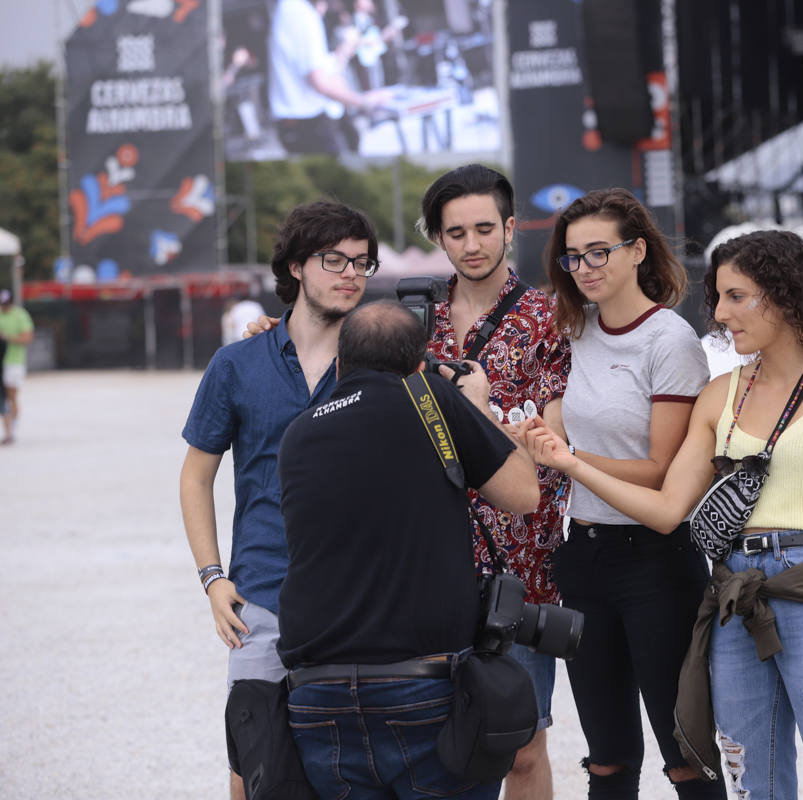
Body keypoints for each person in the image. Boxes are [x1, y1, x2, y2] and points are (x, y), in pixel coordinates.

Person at [523, 229, 803, 798]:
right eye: (718, 298)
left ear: (784, 295)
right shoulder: (719, 393)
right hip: (733, 595)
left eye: (736, 296)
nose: (720, 314)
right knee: (748, 777)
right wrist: (571, 463)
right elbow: (665, 511)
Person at [276, 300, 540, 800]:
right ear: (419, 368)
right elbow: (522, 494)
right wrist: (476, 405)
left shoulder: (298, 433)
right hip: (422, 687)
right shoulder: (430, 397)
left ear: (339, 364)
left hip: (317, 693)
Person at [180, 200, 377, 800]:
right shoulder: (237, 364)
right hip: (263, 595)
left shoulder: (384, 364)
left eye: (363, 263)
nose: (351, 273)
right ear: (296, 266)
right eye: (334, 259)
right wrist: (214, 579)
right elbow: (195, 477)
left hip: (362, 601)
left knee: (353, 772)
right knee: (255, 769)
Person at [541, 188, 725, 799]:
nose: (586, 267)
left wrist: (567, 460)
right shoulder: (573, 331)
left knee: (685, 755)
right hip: (583, 556)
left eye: (600, 252)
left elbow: (662, 470)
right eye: (574, 257)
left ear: (638, 250)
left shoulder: (669, 341)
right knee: (607, 760)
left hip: (655, 560)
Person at [420, 164, 570, 800]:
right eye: (456, 232)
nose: (472, 244)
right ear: (439, 238)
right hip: (427, 559)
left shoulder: (549, 319)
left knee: (523, 748)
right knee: (434, 743)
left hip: (522, 560)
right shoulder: (411, 321)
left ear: (511, 229)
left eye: (485, 228)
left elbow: (549, 446)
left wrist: (476, 415)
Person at [268, 0, 391, 154]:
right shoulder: (302, 15)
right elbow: (319, 81)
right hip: (307, 122)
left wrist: (343, 56)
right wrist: (364, 101)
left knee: (352, 141)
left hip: (303, 120)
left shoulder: (289, 9)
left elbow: (318, 70)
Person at [0, 288, 34, 445]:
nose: (4, 307)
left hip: (14, 362)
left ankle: (12, 430)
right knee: (4, 397)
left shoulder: (20, 315)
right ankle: (8, 431)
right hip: (2, 363)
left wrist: (6, 337)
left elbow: (27, 338)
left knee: (11, 396)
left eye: (6, 304)